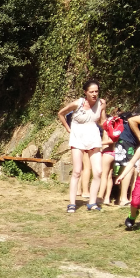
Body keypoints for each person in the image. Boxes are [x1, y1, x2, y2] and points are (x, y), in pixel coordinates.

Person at [57, 79, 106, 212]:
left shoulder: (101, 103)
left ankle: (92, 203)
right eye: (91, 92)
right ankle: (72, 203)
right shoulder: (77, 103)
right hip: (78, 137)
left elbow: (102, 122)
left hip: (93, 136)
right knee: (77, 171)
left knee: (98, 171)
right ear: (85, 92)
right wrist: (68, 128)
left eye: (96, 91)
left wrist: (112, 126)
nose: (94, 94)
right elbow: (61, 114)